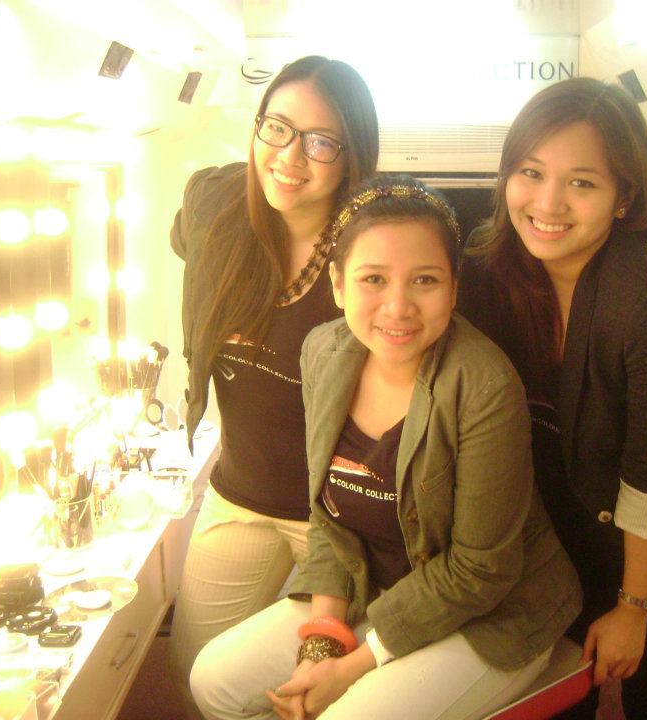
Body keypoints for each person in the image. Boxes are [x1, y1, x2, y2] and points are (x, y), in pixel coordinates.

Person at [189, 175, 582, 720]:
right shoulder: (323, 353)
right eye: (373, 278)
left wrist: (350, 668)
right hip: (376, 589)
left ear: (454, 288)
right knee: (212, 682)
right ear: (338, 284)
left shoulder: (483, 385)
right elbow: (328, 520)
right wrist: (320, 644)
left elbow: (480, 571)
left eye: (425, 280)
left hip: (496, 615)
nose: (398, 307)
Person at [459, 77, 647, 720]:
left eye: (582, 183)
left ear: (625, 198)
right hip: (576, 531)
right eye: (531, 173)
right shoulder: (492, 270)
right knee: (558, 693)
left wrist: (633, 608)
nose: (548, 202)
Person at [167, 55, 379, 713]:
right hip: (240, 492)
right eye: (278, 128)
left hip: (337, 519)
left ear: (352, 156)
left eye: (320, 142)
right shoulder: (214, 206)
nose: (289, 156)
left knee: (310, 696)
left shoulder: (372, 252)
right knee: (194, 675)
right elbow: (184, 241)